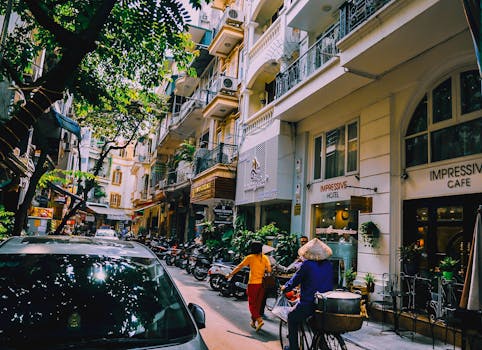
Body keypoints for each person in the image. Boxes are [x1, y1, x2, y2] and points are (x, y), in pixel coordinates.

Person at [281, 238, 333, 350]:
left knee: (291, 317)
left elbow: (295, 280)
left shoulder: (307, 265)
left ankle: (293, 347)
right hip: (325, 303)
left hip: (309, 302)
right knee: (313, 321)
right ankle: (322, 345)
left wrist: (285, 288)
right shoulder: (329, 264)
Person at [226, 241, 271, 332]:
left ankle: (259, 320)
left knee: (251, 304)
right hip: (262, 284)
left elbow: (239, 266)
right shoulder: (265, 258)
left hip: (253, 284)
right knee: (257, 304)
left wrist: (230, 274)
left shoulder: (250, 257)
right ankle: (253, 322)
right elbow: (269, 270)